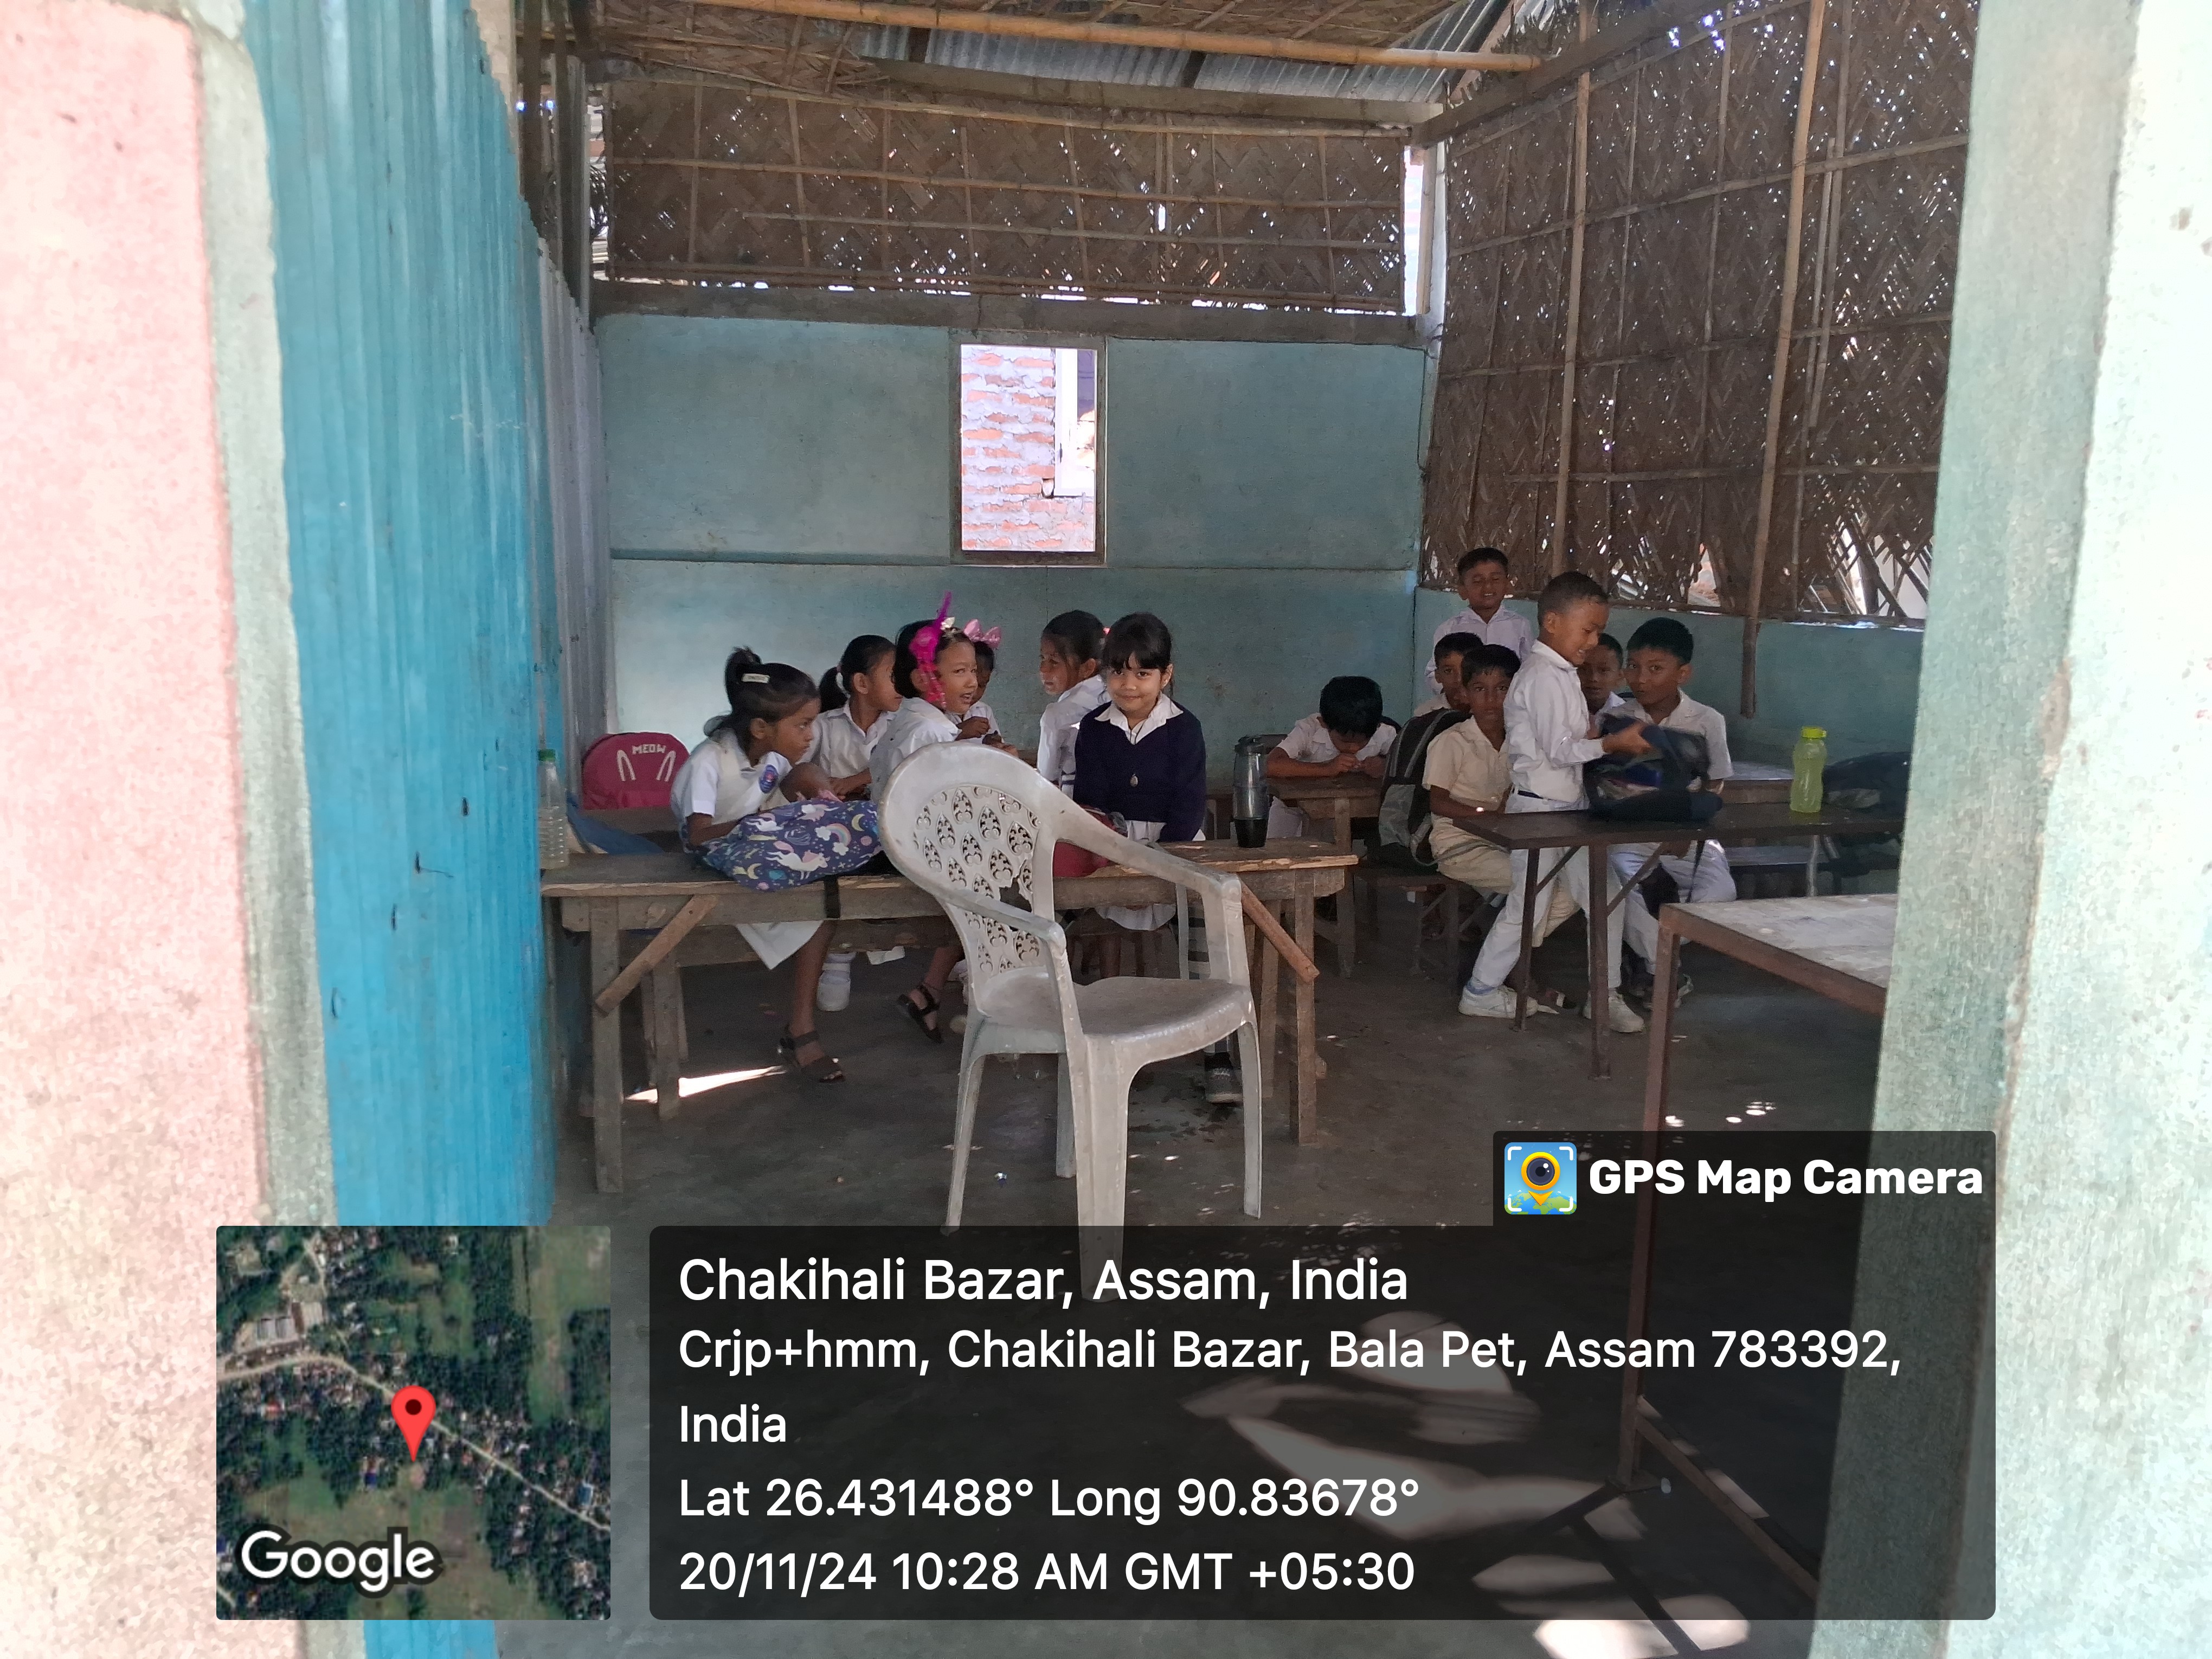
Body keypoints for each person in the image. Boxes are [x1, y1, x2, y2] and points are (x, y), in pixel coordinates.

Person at [1455, 573, 1654, 1034]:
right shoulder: (1543, 675)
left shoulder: (1562, 674)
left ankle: (1604, 996)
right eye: (1588, 629)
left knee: (1605, 898)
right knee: (1529, 908)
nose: (1594, 640)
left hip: (1568, 810)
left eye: (1599, 631)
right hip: (1540, 813)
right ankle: (1480, 992)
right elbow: (1561, 751)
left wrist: (1598, 735)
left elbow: (1569, 738)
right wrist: (1612, 743)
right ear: (1552, 622)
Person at [1071, 612, 1231, 1101]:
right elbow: (1091, 808)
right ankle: (1073, 1035)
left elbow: (1187, 809)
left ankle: (1218, 1053)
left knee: (1208, 933)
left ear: (1166, 675)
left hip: (1176, 849)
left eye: (1143, 673)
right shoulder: (1094, 729)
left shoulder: (1185, 729)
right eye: (1118, 671)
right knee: (1049, 914)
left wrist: (1155, 871)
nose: (1129, 684)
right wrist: (1121, 868)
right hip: (1110, 851)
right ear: (1104, 673)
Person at [668, 648, 844, 1081]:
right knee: (813, 907)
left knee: (821, 908)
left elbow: (797, 774)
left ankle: (801, 1029)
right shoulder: (709, 761)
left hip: (751, 856)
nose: (810, 735)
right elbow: (698, 835)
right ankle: (801, 1033)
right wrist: (765, 822)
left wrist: (818, 787)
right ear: (761, 728)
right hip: (709, 868)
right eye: (802, 725)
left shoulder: (768, 757)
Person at [1422, 645, 1581, 983]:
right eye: (1480, 689)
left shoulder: (1523, 742)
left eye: (1502, 689)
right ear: (1465, 694)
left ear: (1517, 692)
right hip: (1460, 846)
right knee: (1537, 890)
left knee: (1571, 892)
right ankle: (1509, 969)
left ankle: (1500, 959)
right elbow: (1438, 803)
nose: (1492, 700)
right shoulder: (1452, 741)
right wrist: (1486, 814)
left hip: (1507, 841)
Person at [1610, 617, 1738, 1005]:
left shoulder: (1707, 721)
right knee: (1616, 884)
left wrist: (1689, 831)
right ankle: (1663, 968)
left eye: (1655, 669)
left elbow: (1716, 783)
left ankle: (1649, 952)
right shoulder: (1618, 719)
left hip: (1689, 837)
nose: (1640, 679)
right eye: (1633, 667)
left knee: (1720, 894)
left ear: (1683, 673)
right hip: (1632, 836)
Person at [875, 616, 986, 1043]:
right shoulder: (933, 730)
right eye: (959, 671)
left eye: (972, 670)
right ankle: (991, 1006)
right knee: (1003, 888)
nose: (972, 681)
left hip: (903, 844)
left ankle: (929, 992)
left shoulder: (910, 721)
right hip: (916, 853)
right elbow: (954, 811)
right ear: (924, 678)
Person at [806, 635, 899, 1014]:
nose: (904, 682)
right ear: (862, 683)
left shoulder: (903, 724)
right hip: (837, 834)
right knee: (835, 880)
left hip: (886, 831)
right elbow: (800, 768)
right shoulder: (824, 726)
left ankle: (853, 948)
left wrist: (857, 781)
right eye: (894, 674)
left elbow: (905, 767)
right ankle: (839, 955)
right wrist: (825, 788)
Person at [1369, 634, 1478, 869]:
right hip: (1436, 811)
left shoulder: (1492, 712)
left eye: (1466, 671)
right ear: (1437, 676)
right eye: (1448, 671)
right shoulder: (1425, 716)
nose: (1458, 680)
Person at [1264, 676, 1394, 840]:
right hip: (1291, 807)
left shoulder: (1384, 734)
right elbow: (1270, 765)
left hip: (1336, 812)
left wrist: (1384, 766)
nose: (1353, 749)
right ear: (1324, 723)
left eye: (1363, 742)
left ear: (1377, 727)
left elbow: (1405, 764)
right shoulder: (1310, 730)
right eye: (1345, 742)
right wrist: (1327, 769)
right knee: (1277, 849)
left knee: (1323, 849)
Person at [1427, 546, 1535, 694]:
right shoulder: (1450, 628)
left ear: (1507, 585)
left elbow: (1528, 670)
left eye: (1495, 579)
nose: (1488, 586)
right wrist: (1456, 694)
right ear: (1462, 590)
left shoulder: (1520, 625)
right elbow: (1432, 673)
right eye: (1478, 581)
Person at [1035, 609, 1108, 793]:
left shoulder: (1056, 716)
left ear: (1087, 668)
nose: (1043, 669)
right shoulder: (1117, 699)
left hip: (1074, 804)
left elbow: (1046, 776)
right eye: (1043, 658)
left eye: (1054, 661)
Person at [1579, 632, 1626, 716]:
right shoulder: (1560, 708)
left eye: (1604, 670)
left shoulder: (1626, 716)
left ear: (1620, 676)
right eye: (1583, 669)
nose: (1594, 678)